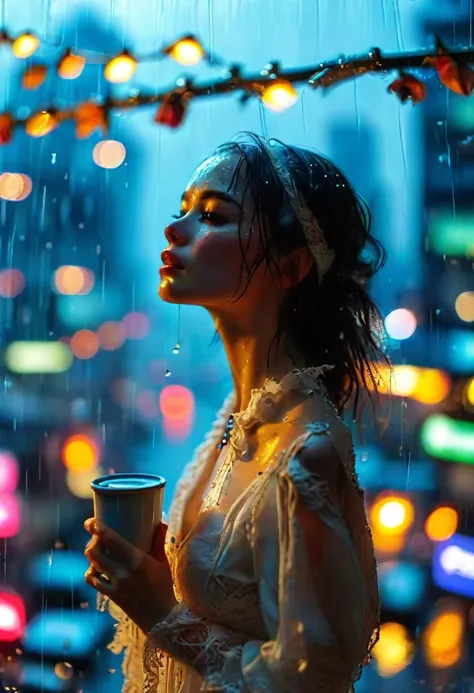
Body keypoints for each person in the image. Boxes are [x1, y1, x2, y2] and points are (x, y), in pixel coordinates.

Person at [84, 132, 389, 693]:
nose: (175, 229)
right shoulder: (239, 417)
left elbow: (311, 679)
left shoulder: (304, 457)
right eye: (182, 210)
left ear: (290, 266)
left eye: (213, 217)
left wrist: (162, 614)